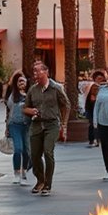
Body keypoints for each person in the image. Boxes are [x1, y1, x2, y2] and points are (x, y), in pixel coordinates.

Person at [23, 61, 71, 196]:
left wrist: (64, 124)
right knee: (34, 155)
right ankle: (40, 180)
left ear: (46, 72)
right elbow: (25, 107)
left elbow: (66, 105)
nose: (35, 74)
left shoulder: (56, 88)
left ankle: (48, 184)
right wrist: (30, 111)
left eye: (38, 71)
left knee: (48, 152)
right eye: (34, 71)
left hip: (52, 124)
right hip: (37, 125)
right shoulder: (33, 89)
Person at [4, 72, 32, 185]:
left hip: (27, 125)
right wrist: (6, 127)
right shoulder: (12, 95)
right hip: (14, 125)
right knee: (18, 149)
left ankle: (24, 173)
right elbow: (8, 111)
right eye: (19, 81)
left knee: (26, 151)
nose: (21, 83)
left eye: (23, 81)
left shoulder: (30, 95)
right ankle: (16, 173)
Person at [85, 71, 105, 148]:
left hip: (97, 109)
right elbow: (93, 99)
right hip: (92, 109)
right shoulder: (94, 87)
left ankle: (96, 140)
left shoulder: (101, 87)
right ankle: (93, 140)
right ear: (95, 79)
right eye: (99, 78)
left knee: (96, 124)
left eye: (102, 79)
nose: (100, 80)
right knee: (93, 124)